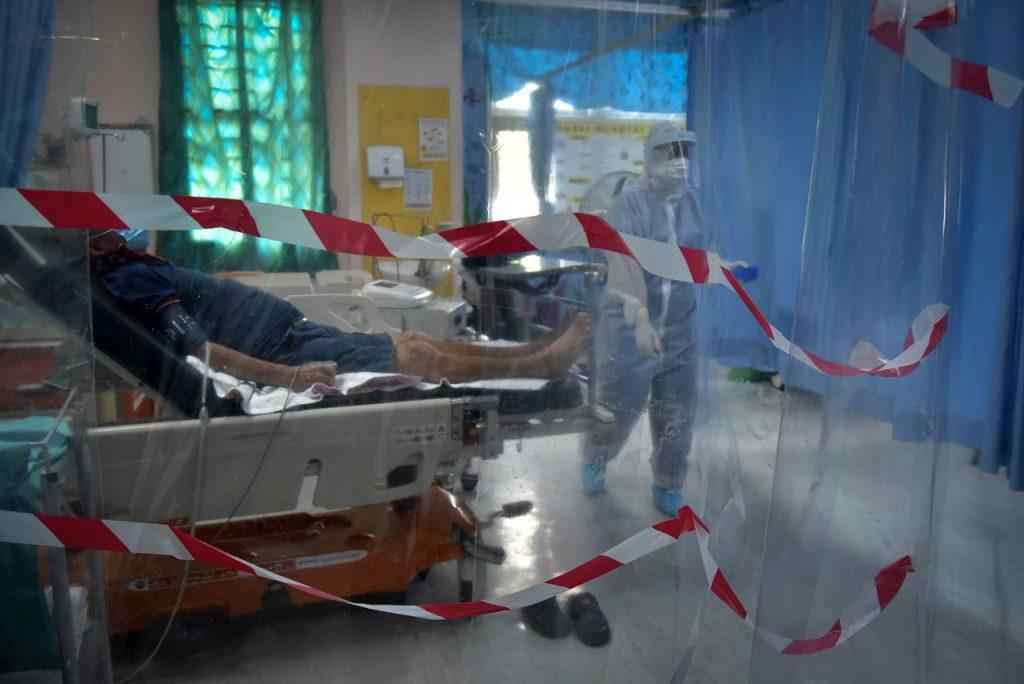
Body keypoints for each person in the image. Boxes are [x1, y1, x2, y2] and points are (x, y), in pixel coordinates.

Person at [88, 231, 590, 390]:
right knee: (419, 360)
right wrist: (287, 379)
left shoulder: (127, 267)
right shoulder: (124, 277)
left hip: (291, 333)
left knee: (414, 341)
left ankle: (532, 351)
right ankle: (539, 365)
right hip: (283, 351)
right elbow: (197, 347)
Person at [582, 123, 703, 516]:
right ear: (652, 157)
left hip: (681, 327)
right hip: (628, 326)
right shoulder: (629, 205)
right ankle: (596, 457)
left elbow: (701, 253)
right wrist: (639, 318)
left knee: (678, 411)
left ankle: (668, 481)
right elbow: (623, 263)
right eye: (670, 153)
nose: (680, 162)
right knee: (619, 403)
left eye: (685, 151)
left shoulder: (692, 204)